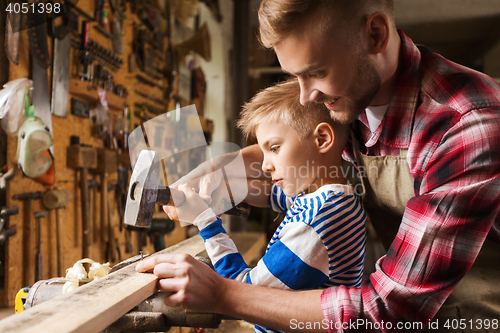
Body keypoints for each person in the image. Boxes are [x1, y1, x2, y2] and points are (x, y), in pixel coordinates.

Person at [137, 0, 500, 331]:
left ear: (375, 34)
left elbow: (388, 309)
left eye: (316, 72)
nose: (305, 95)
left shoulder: (464, 125)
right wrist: (221, 174)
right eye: (295, 75)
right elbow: (299, 179)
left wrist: (222, 294)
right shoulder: (351, 101)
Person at [167, 78, 367, 333]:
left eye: (274, 148)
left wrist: (205, 220)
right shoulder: (326, 198)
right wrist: (220, 187)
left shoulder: (321, 219)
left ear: (322, 139)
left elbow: (245, 292)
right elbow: (270, 194)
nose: (265, 165)